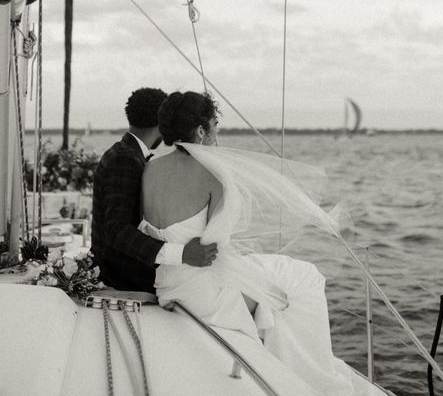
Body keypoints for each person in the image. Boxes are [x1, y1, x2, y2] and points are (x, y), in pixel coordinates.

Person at [140, 91, 354, 394]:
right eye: (215, 124)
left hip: (167, 285)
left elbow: (155, 235)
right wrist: (264, 289)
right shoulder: (215, 174)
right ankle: (307, 376)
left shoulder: (150, 168)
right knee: (302, 282)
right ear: (201, 131)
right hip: (204, 296)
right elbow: (217, 253)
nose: (217, 132)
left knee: (279, 281)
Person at [91, 87, 218, 293]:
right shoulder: (125, 159)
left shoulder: (131, 155)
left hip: (131, 268)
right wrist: (182, 254)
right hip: (122, 276)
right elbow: (117, 231)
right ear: (160, 120)